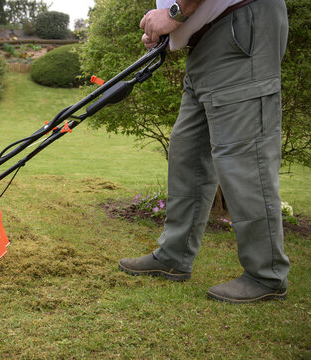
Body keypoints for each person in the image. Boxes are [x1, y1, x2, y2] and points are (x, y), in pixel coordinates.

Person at [118, 0, 290, 303]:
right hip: (207, 42)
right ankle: (174, 255)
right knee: (188, 153)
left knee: (243, 155)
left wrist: (175, 14)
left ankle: (266, 274)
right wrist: (171, 30)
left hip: (240, 25)